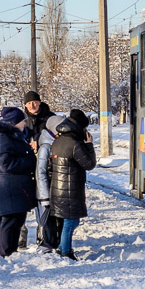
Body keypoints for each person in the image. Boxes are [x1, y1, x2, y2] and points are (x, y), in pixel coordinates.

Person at [0, 106, 37, 257]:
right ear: (13, 122)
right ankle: (6, 254)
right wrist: (29, 160)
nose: (25, 123)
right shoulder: (2, 138)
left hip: (14, 186)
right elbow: (5, 163)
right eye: (22, 121)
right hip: (8, 188)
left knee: (17, 219)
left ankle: (10, 252)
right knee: (10, 221)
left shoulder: (13, 136)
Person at [50, 108, 96, 261]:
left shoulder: (57, 140)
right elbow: (89, 164)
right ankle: (65, 251)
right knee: (71, 221)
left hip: (59, 189)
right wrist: (89, 145)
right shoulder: (74, 143)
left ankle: (63, 248)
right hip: (70, 189)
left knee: (68, 221)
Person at [34, 114, 66, 253]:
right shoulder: (45, 148)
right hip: (46, 193)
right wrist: (44, 196)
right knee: (47, 220)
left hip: (56, 189)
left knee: (58, 219)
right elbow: (40, 173)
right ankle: (46, 245)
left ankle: (56, 243)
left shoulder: (57, 144)